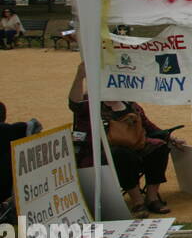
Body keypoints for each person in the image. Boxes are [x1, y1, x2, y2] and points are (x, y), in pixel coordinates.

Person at [68, 63, 185, 216]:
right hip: (104, 151)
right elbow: (74, 105)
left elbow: (149, 127)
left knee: (160, 147)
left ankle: (152, 197)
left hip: (135, 145)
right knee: (123, 155)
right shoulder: (91, 103)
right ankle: (137, 201)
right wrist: (79, 76)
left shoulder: (129, 103)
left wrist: (171, 138)